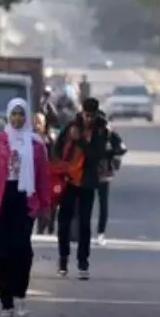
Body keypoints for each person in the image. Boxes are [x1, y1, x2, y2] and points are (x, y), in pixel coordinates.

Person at [0, 98, 51, 317]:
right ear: (8, 116)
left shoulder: (36, 145)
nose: (17, 118)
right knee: (4, 254)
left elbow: (42, 179)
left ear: (26, 116)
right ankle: (6, 304)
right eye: (14, 114)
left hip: (24, 201)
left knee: (23, 252)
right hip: (1, 202)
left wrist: (45, 205)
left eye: (21, 114)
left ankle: (20, 297)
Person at [53, 98, 108, 279]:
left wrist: (81, 141)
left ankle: (83, 262)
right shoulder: (70, 126)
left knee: (84, 224)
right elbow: (57, 148)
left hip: (87, 183)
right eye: (86, 115)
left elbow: (96, 156)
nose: (89, 119)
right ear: (82, 112)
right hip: (68, 182)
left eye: (92, 116)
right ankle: (63, 259)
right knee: (64, 222)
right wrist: (60, 168)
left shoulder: (100, 131)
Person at [95, 113, 127, 246]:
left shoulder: (110, 135)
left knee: (102, 204)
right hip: (88, 172)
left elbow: (123, 149)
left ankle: (100, 234)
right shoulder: (87, 132)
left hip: (103, 173)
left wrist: (111, 153)